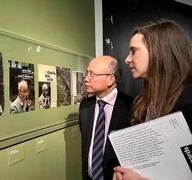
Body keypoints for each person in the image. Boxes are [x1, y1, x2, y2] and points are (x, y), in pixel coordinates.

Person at [113, 20, 192, 180]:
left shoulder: (189, 100)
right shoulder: (141, 102)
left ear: (159, 51)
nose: (127, 59)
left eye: (133, 51)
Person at [79, 55, 134, 180]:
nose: (86, 79)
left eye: (92, 74)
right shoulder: (85, 106)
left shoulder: (132, 106)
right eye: (87, 73)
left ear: (110, 79)